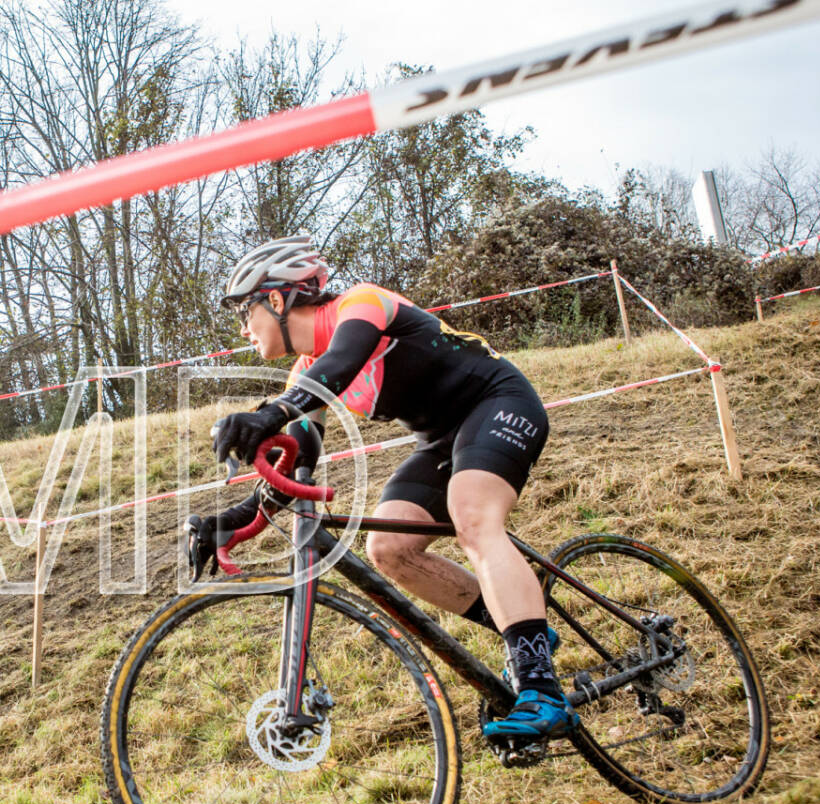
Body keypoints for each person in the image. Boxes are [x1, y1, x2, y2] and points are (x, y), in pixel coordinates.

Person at [186, 236, 574, 743]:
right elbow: (295, 464)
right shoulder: (304, 372)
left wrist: (271, 413)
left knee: (472, 516)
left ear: (277, 300)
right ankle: (527, 633)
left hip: (499, 402)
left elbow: (342, 362)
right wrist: (240, 521)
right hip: (441, 440)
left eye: (246, 310)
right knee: (389, 549)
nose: (243, 327)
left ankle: (541, 689)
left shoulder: (361, 304)